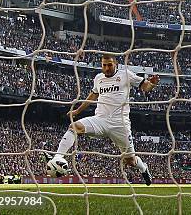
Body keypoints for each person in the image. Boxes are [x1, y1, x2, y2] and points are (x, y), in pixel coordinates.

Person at [49, 54, 159, 185]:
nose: (106, 68)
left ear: (116, 64)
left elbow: (145, 87)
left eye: (109, 65)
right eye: (104, 65)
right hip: (100, 120)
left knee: (130, 161)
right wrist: (78, 111)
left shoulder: (125, 74)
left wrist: (152, 84)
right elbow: (93, 95)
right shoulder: (98, 78)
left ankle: (143, 168)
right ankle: (58, 157)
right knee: (74, 127)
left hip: (120, 124)